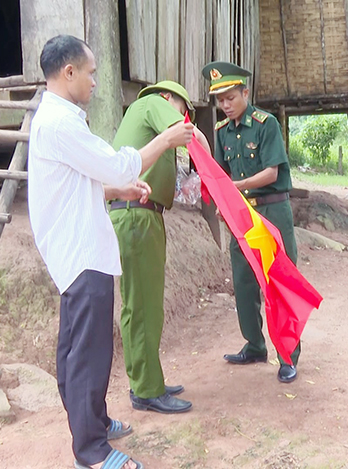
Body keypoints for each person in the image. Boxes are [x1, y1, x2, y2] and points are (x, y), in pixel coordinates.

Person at [28, 35, 193, 469]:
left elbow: (78, 182)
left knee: (76, 346)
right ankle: (92, 452)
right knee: (88, 352)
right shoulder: (61, 124)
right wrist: (166, 140)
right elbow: (120, 161)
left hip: (78, 248)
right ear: (69, 73)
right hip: (81, 250)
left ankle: (93, 423)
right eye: (91, 72)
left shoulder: (55, 120)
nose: (96, 82)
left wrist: (116, 188)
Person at [109, 81, 211, 414]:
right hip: (136, 216)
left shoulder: (151, 122)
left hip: (144, 216)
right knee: (141, 306)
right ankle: (146, 389)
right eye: (184, 108)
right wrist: (210, 163)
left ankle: (149, 379)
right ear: (169, 98)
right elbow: (190, 133)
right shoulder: (153, 102)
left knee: (148, 305)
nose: (184, 116)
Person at [200, 61, 300, 383]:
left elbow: (271, 173)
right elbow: (221, 174)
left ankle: (288, 356)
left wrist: (235, 188)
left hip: (272, 211)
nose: (225, 105)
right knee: (243, 282)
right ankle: (255, 345)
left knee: (279, 282)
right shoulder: (221, 132)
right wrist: (223, 202)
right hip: (241, 215)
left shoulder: (265, 124)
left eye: (230, 98)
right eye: (220, 100)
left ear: (245, 93)